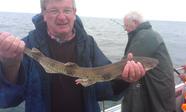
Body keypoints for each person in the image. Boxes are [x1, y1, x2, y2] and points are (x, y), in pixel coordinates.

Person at [0, 1, 146, 112]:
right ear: (43, 14)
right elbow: (7, 100)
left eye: (67, 10)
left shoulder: (88, 44)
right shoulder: (25, 46)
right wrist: (10, 63)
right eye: (54, 10)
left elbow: (105, 90)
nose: (62, 17)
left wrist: (124, 79)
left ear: (74, 13)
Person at [121, 11, 176, 112]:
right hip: (161, 94)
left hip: (157, 98)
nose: (125, 29)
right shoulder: (150, 35)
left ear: (135, 22)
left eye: (126, 25)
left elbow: (124, 66)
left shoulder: (145, 37)